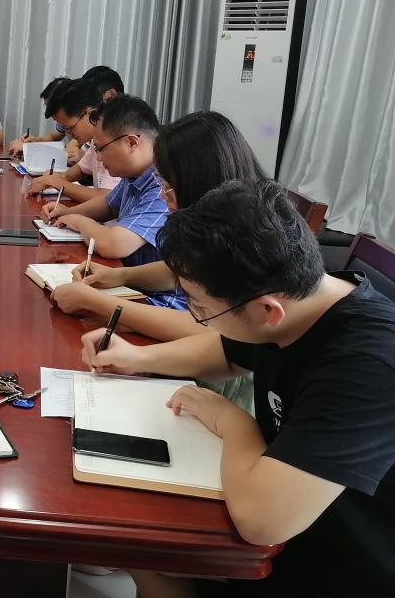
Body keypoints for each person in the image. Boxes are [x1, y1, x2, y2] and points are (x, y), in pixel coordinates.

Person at [81, 179, 395, 597]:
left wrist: (233, 422)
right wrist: (137, 358)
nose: (197, 316)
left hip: (342, 561)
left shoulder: (368, 365)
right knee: (134, 535)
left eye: (200, 308)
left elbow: (262, 521)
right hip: (292, 510)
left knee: (146, 549)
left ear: (267, 311)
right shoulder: (299, 299)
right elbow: (227, 350)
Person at [52, 111, 266, 341]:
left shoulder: (246, 236)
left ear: (201, 180)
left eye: (168, 183)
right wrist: (119, 275)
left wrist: (94, 301)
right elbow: (179, 269)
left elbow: (213, 332)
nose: (162, 194)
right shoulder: (209, 220)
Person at [41, 95, 185, 309]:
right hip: (132, 284)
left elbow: (113, 245)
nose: (98, 158)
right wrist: (65, 213)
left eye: (100, 148)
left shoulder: (162, 186)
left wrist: (79, 220)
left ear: (131, 142)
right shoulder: (134, 174)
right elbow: (108, 204)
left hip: (158, 300)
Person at [26, 77, 120, 202]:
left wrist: (57, 183)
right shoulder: (94, 141)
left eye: (69, 127)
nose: (68, 134)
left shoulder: (113, 140)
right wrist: (55, 178)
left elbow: (106, 198)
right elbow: (79, 170)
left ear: (89, 114)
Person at [7, 77, 69, 157]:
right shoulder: (65, 120)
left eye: (52, 110)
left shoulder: (78, 123)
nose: (53, 118)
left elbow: (68, 151)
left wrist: (28, 147)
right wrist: (36, 140)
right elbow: (53, 137)